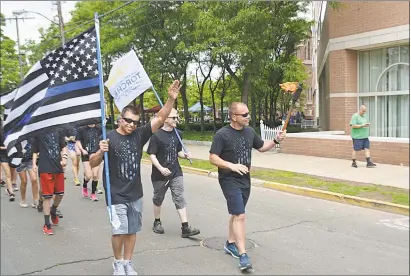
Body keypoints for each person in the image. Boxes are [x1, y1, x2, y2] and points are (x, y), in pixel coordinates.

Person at [89, 80, 181, 275]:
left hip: (135, 193)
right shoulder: (109, 137)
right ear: (120, 119)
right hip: (115, 194)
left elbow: (161, 117)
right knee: (119, 231)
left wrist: (171, 99)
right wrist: (100, 151)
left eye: (135, 122)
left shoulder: (140, 135)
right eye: (128, 120)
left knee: (131, 231)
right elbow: (92, 163)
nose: (131, 125)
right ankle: (118, 262)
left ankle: (128, 262)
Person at [209, 102, 286, 271]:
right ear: (234, 117)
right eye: (244, 115)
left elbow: (262, 147)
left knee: (237, 213)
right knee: (240, 215)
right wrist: (231, 165)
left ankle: (230, 243)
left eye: (248, 114)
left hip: (245, 179)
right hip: (229, 179)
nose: (248, 117)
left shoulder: (249, 132)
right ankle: (243, 255)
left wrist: (275, 140)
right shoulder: (222, 134)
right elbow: (213, 158)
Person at [146, 108, 200, 238]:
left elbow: (178, 152)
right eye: (173, 118)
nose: (177, 120)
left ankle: (185, 227)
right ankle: (157, 222)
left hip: (176, 171)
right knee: (158, 198)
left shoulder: (178, 133)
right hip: (160, 175)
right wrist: (160, 168)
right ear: (165, 119)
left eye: (177, 117)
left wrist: (185, 155)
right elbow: (152, 155)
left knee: (179, 197)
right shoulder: (156, 135)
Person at [32, 130, 68, 235]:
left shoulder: (59, 130)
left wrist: (65, 157)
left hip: (58, 166)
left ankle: (54, 209)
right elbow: (35, 150)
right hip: (45, 167)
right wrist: (34, 163)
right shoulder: (38, 132)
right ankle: (47, 224)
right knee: (47, 196)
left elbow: (63, 146)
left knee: (60, 194)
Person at [76, 124, 102, 201]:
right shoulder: (82, 129)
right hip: (86, 154)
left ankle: (93, 194)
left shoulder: (99, 128)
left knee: (95, 175)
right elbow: (77, 141)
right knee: (88, 175)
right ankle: (85, 185)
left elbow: (103, 139)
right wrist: (82, 150)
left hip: (96, 154)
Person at [16, 139, 39, 208]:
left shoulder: (31, 136)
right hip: (19, 160)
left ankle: (35, 200)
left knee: (34, 179)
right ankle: (23, 199)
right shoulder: (17, 137)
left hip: (30, 160)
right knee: (24, 181)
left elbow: (36, 146)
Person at [0, 123, 15, 201]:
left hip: (12, 155)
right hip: (3, 155)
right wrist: (5, 147)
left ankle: (10, 187)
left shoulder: (14, 132)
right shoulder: (1, 132)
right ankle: (11, 193)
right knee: (8, 174)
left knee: (12, 173)